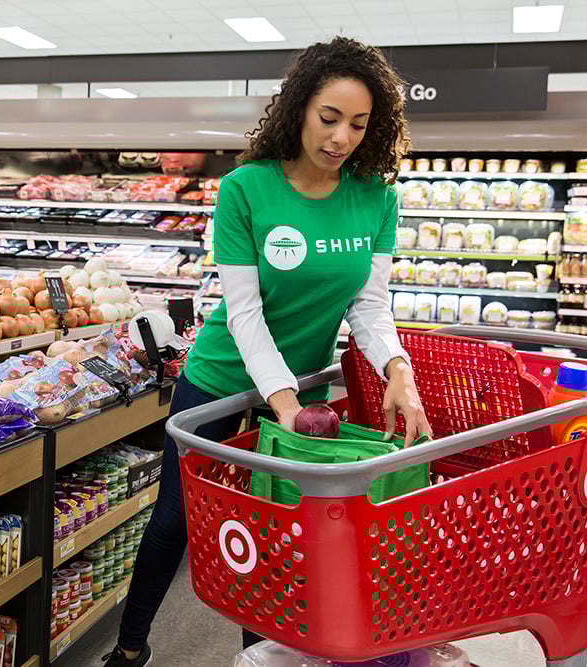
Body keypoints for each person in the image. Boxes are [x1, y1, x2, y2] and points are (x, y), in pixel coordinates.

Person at [102, 36, 432, 667]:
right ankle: (130, 647)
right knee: (176, 520)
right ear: (299, 110)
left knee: (274, 528)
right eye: (328, 119)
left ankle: (264, 659)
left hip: (300, 392)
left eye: (359, 125)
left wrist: (398, 369)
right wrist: (281, 403)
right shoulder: (246, 190)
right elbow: (245, 314)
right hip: (223, 379)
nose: (341, 138)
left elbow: (368, 306)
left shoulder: (377, 198)